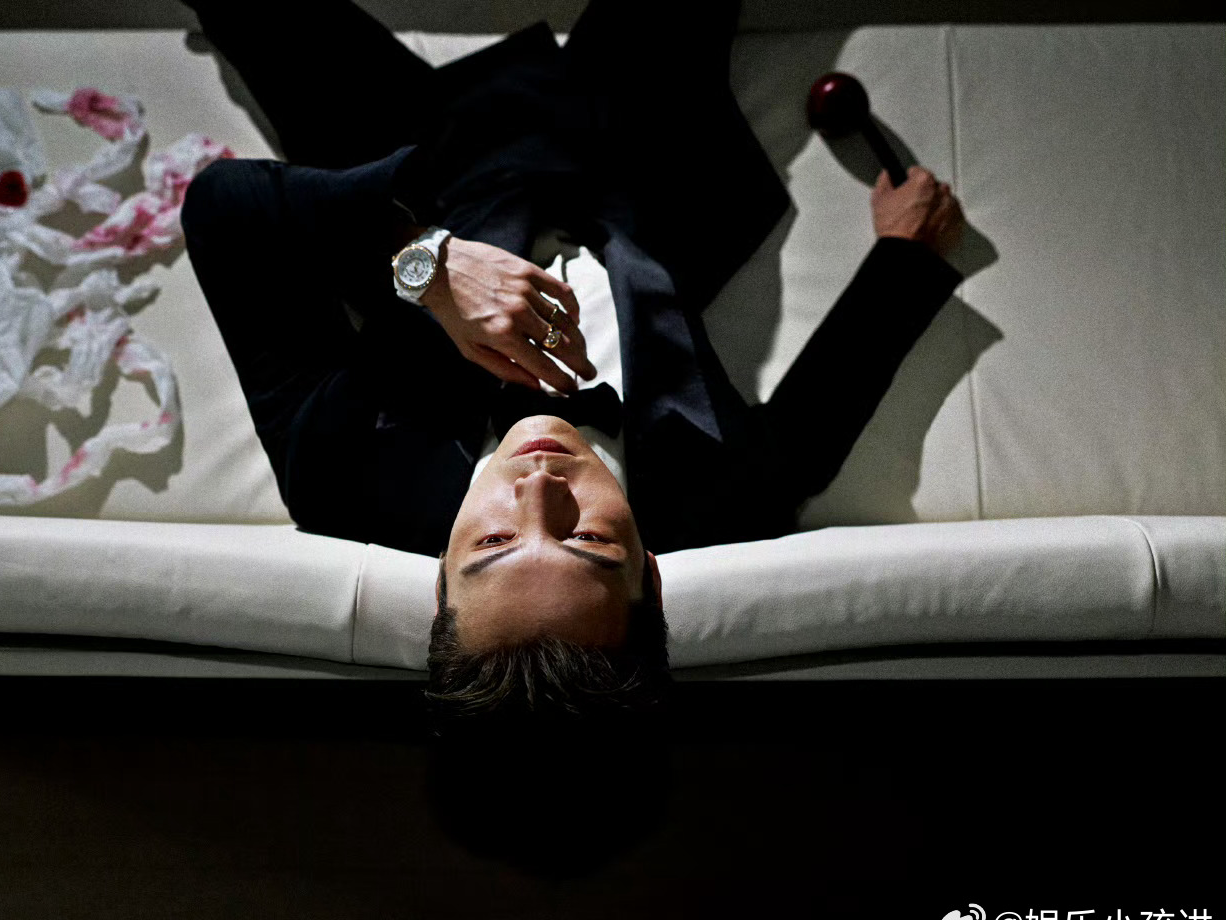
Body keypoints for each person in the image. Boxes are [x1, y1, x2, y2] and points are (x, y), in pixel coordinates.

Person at [180, 0, 965, 732]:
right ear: (650, 575)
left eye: (493, 543)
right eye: (587, 540)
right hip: (642, 166)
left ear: (438, 581)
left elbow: (220, 208)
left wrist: (427, 264)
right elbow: (804, 439)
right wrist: (905, 255)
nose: (538, 485)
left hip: (420, 164)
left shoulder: (338, 480)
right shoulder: (721, 507)